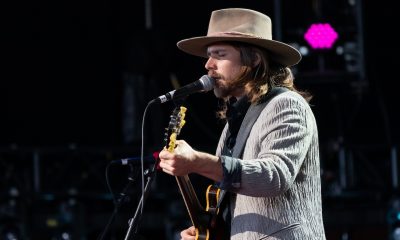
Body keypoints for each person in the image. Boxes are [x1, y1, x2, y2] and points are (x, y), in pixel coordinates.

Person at [158, 8, 326, 240]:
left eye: (219, 54)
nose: (208, 64)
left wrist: (197, 161)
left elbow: (274, 177)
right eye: (208, 55)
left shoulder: (287, 104)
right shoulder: (233, 124)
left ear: (254, 58)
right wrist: (211, 231)